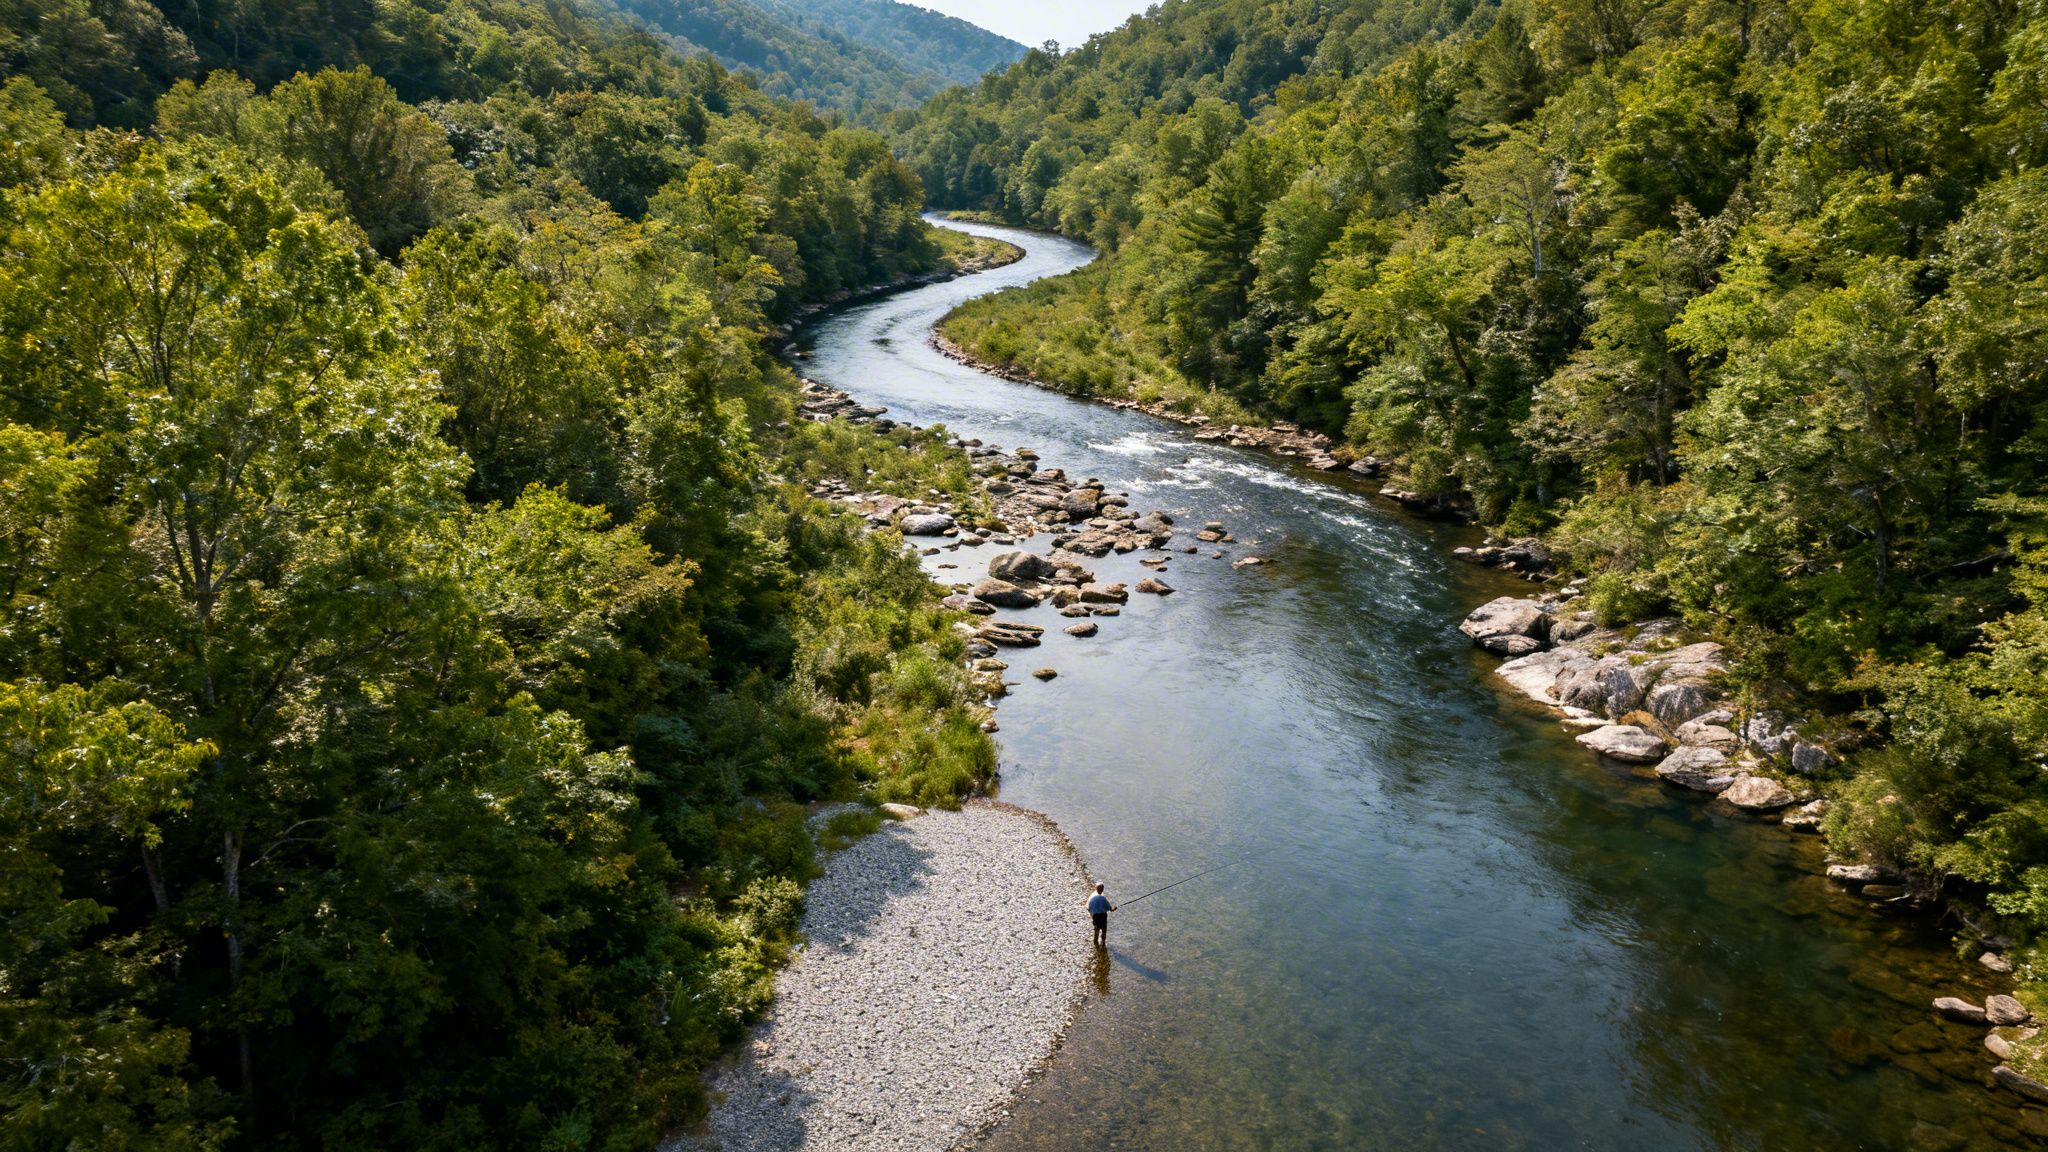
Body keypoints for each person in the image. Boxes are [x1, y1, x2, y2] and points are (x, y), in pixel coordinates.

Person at [1087, 882, 1115, 946]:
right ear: (1103, 890)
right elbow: (1110, 909)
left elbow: (1089, 908)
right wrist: (1114, 908)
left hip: (1096, 917)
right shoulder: (1103, 898)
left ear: (1096, 889)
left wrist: (1092, 914)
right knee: (1104, 930)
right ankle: (1103, 943)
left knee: (1096, 930)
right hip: (1103, 917)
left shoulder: (1092, 898)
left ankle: (1095, 942)